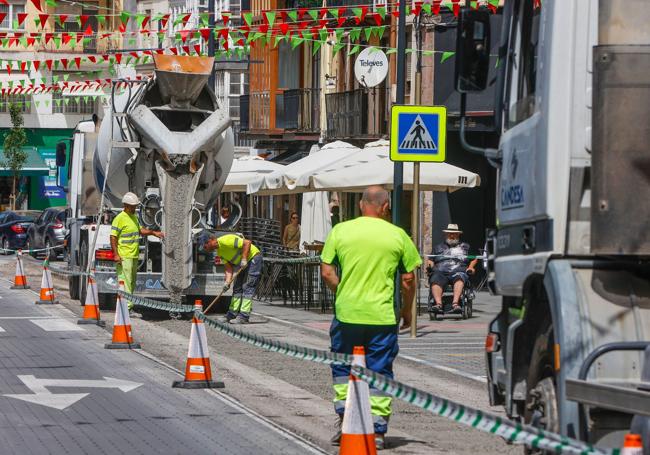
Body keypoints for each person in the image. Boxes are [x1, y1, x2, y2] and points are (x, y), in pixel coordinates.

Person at [320, 186, 420, 450]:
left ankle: (346, 420)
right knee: (380, 370)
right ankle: (376, 430)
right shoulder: (398, 235)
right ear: (386, 207)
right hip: (382, 318)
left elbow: (327, 272)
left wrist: (343, 292)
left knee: (343, 367)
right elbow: (409, 280)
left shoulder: (340, 231)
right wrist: (407, 311)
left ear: (361, 205)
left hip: (347, 314)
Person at [110, 192, 164, 310]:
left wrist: (154, 233)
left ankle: (127, 305)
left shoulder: (133, 217)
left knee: (132, 282)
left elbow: (140, 230)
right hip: (124, 256)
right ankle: (126, 307)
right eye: (133, 206)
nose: (135, 208)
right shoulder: (119, 219)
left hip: (133, 255)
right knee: (126, 281)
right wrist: (116, 254)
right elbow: (113, 237)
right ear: (126, 205)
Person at [199, 232, 263, 324]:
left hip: (253, 258)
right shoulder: (220, 252)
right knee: (237, 288)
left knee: (248, 287)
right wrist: (227, 282)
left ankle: (243, 317)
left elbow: (247, 243)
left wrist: (244, 259)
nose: (205, 250)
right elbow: (228, 268)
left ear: (210, 241)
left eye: (205, 247)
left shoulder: (226, 240)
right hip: (243, 263)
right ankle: (231, 314)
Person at [427, 224, 477, 313]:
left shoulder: (465, 246)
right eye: (450, 233)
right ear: (446, 234)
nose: (452, 236)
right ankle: (438, 304)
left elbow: (474, 258)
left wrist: (470, 267)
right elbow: (431, 260)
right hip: (440, 272)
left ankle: (455, 304)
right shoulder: (437, 247)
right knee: (435, 278)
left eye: (454, 234)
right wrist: (429, 267)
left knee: (460, 277)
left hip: (459, 271)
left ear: (458, 235)